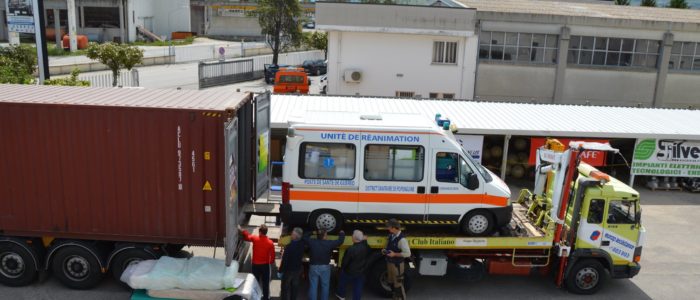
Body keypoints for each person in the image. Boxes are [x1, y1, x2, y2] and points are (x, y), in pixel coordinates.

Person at [305, 229, 346, 300]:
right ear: (324, 236)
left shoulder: (312, 242)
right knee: (325, 286)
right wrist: (342, 233)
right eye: (326, 234)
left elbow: (304, 237)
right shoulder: (329, 243)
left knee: (313, 285)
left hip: (313, 266)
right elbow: (340, 241)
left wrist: (312, 232)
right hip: (325, 267)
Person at [239, 224, 275, 300]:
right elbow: (272, 257)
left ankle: (255, 297)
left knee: (255, 282)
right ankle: (265, 298)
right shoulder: (270, 243)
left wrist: (242, 230)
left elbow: (247, 236)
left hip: (255, 265)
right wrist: (269, 263)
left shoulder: (255, 238)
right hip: (265, 266)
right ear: (266, 232)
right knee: (265, 283)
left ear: (260, 232)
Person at [335, 230, 370, 300]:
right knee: (358, 288)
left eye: (352, 235)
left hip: (349, 272)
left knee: (342, 281)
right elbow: (366, 246)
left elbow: (345, 262)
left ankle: (341, 295)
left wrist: (342, 269)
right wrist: (365, 240)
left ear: (354, 238)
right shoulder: (366, 247)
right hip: (361, 272)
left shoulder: (350, 249)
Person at [383, 219, 410, 300]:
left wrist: (394, 254)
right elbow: (388, 246)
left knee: (398, 285)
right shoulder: (391, 235)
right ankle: (395, 297)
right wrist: (384, 250)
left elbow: (408, 253)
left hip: (397, 265)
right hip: (390, 263)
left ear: (394, 228)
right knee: (390, 282)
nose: (388, 229)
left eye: (389, 227)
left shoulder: (402, 240)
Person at [279, 227, 305, 300]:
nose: (291, 235)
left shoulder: (289, 247)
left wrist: (280, 271)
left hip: (288, 270)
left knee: (285, 288)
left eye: (292, 234)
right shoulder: (302, 245)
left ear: (296, 236)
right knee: (294, 288)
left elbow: (285, 260)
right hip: (297, 270)